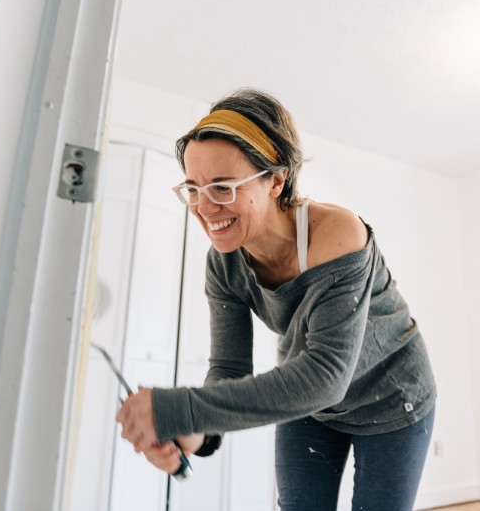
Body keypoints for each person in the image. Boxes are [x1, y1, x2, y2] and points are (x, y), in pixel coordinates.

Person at [116, 88, 437, 511]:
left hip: (392, 397)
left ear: (277, 179)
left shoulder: (337, 234)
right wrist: (194, 433)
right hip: (310, 403)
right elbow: (229, 369)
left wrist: (184, 408)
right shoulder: (224, 264)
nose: (205, 207)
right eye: (193, 188)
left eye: (223, 187)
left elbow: (326, 376)